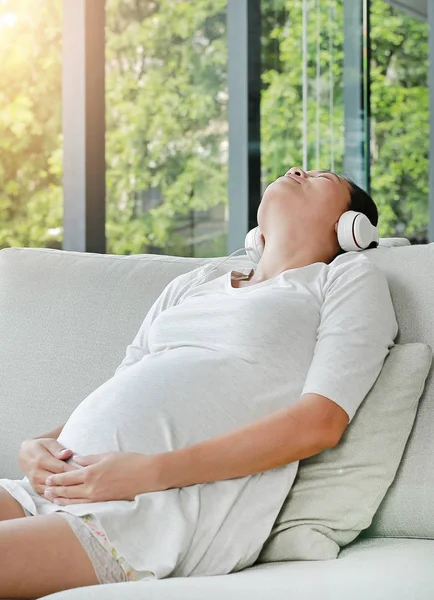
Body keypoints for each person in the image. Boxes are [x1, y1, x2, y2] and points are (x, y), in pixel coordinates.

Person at [0, 167, 398, 598]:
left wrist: (148, 474)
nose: (298, 170)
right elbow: (125, 385)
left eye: (324, 177)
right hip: (63, 482)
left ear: (350, 228)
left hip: (151, 512)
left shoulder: (344, 279)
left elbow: (320, 421)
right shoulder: (191, 285)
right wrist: (39, 445)